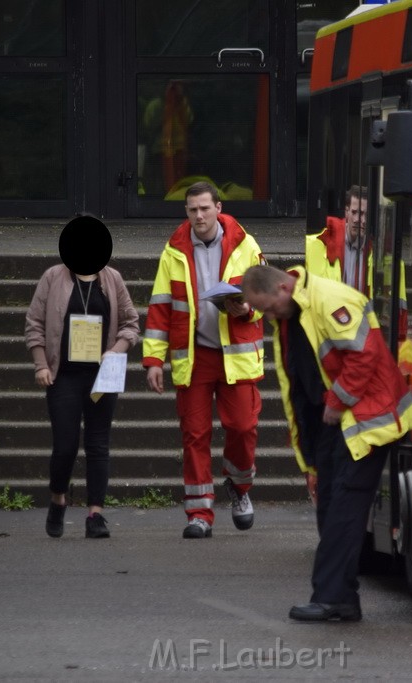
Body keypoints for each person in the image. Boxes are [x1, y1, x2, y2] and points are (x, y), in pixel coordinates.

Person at [240, 264, 412, 622]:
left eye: (268, 308)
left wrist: (337, 401)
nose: (267, 317)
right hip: (338, 422)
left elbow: (365, 355)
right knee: (332, 507)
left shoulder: (330, 299)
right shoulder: (293, 310)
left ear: (283, 286)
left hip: (367, 420)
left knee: (343, 508)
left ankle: (332, 597)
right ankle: (340, 597)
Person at [143, 180, 266, 539]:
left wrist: (246, 308)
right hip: (194, 356)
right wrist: (153, 359)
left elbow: (266, 297)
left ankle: (240, 488)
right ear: (186, 211)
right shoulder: (174, 250)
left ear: (218, 208)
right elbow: (161, 307)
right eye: (192, 209)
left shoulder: (246, 244)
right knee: (194, 436)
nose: (199, 215)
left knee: (243, 429)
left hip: (237, 355)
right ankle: (199, 513)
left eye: (204, 208)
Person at [24, 217, 140, 539]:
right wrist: (40, 364)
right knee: (65, 445)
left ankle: (95, 515)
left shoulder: (112, 279)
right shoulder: (53, 277)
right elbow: (34, 323)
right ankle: (59, 499)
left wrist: (116, 349)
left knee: (98, 443)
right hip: (63, 375)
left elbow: (132, 322)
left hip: (102, 374)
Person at [305, 185, 408, 328]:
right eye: (355, 212)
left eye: (365, 214)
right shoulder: (316, 246)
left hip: (359, 330)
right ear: (346, 212)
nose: (360, 220)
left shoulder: (380, 259)